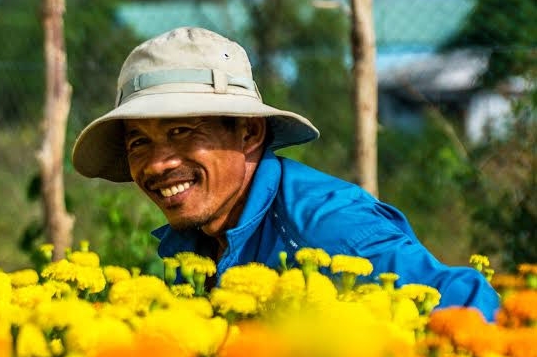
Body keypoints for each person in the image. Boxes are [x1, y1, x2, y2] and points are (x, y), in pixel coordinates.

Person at [71, 26, 500, 320]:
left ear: (249, 132)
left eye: (182, 131)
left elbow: (476, 312)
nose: (158, 163)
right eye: (138, 141)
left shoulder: (330, 232)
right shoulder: (194, 244)